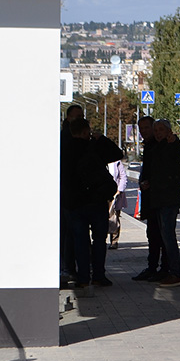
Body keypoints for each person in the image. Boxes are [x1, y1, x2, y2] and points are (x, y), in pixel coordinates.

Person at [62, 117, 124, 291]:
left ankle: (82, 277)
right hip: (96, 201)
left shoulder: (65, 149)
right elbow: (118, 154)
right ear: (84, 132)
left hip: (75, 203)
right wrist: (101, 138)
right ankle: (98, 275)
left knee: (80, 241)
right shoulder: (94, 147)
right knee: (99, 239)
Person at [149, 119, 180, 287]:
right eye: (155, 130)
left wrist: (173, 141)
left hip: (168, 199)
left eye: (161, 130)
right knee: (165, 237)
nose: (158, 133)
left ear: (168, 131)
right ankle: (170, 271)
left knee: (169, 237)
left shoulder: (171, 145)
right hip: (160, 198)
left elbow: (172, 160)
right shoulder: (157, 146)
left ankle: (175, 272)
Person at [132, 116, 167, 281]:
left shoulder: (160, 146)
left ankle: (164, 268)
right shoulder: (149, 147)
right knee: (153, 234)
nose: (144, 131)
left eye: (147, 128)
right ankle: (152, 267)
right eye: (141, 129)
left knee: (162, 235)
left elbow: (162, 171)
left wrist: (150, 183)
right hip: (151, 198)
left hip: (159, 198)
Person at [59, 103, 85, 288]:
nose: (79, 119)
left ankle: (72, 269)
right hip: (69, 197)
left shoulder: (83, 143)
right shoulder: (65, 141)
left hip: (74, 197)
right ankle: (71, 270)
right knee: (72, 235)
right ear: (68, 119)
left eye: (81, 116)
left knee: (75, 235)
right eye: (76, 117)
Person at [107, 157, 128, 250]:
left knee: (115, 218)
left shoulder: (117, 163)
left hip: (115, 195)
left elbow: (123, 177)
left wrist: (119, 190)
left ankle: (114, 241)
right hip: (101, 195)